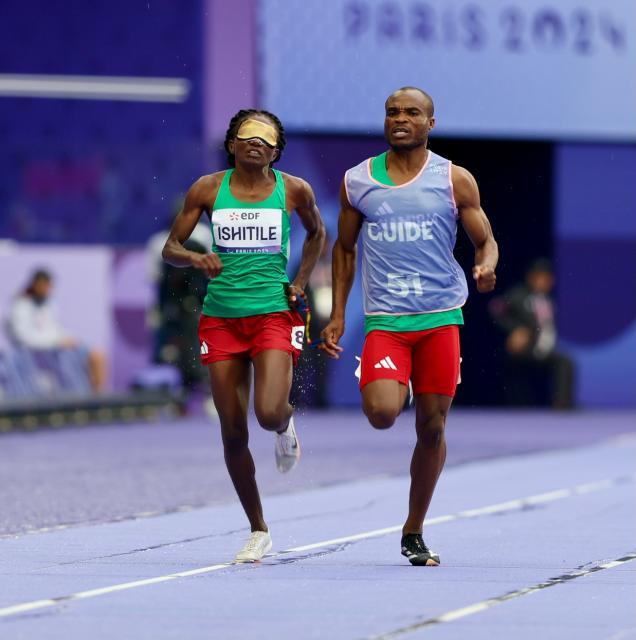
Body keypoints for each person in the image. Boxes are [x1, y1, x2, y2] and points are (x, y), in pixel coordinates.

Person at [320, 87, 498, 566]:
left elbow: (486, 241)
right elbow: (344, 249)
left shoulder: (454, 179)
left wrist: (486, 267)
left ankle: (414, 529)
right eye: (393, 112)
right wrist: (338, 314)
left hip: (441, 318)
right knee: (382, 412)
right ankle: (388, 383)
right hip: (387, 321)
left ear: (430, 123)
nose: (401, 119)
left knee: (433, 427)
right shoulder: (358, 180)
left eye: (412, 113)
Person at [162, 109, 326, 562]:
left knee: (269, 412)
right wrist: (196, 259)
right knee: (232, 430)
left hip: (273, 314)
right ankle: (258, 528)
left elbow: (317, 234)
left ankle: (284, 425)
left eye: (265, 139)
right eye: (247, 136)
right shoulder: (207, 188)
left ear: (276, 151)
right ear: (233, 143)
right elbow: (170, 248)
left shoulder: (293, 190)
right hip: (221, 320)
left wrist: (301, 281)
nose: (255, 142)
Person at [489, 259, 575, 409]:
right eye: (542, 277)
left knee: (565, 361)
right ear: (532, 277)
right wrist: (515, 329)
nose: (546, 282)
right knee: (514, 368)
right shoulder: (518, 295)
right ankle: (517, 405)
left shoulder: (549, 299)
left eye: (548, 278)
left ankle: (562, 403)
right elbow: (496, 308)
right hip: (525, 349)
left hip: (544, 349)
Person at [6, 268, 108, 392]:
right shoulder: (20, 306)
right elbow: (24, 338)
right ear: (36, 285)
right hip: (41, 354)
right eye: (45, 286)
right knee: (93, 356)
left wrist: (68, 339)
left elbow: (54, 328)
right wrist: (56, 341)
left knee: (97, 355)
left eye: (49, 286)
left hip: (57, 349)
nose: (47, 290)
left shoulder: (48, 303)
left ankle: (97, 395)